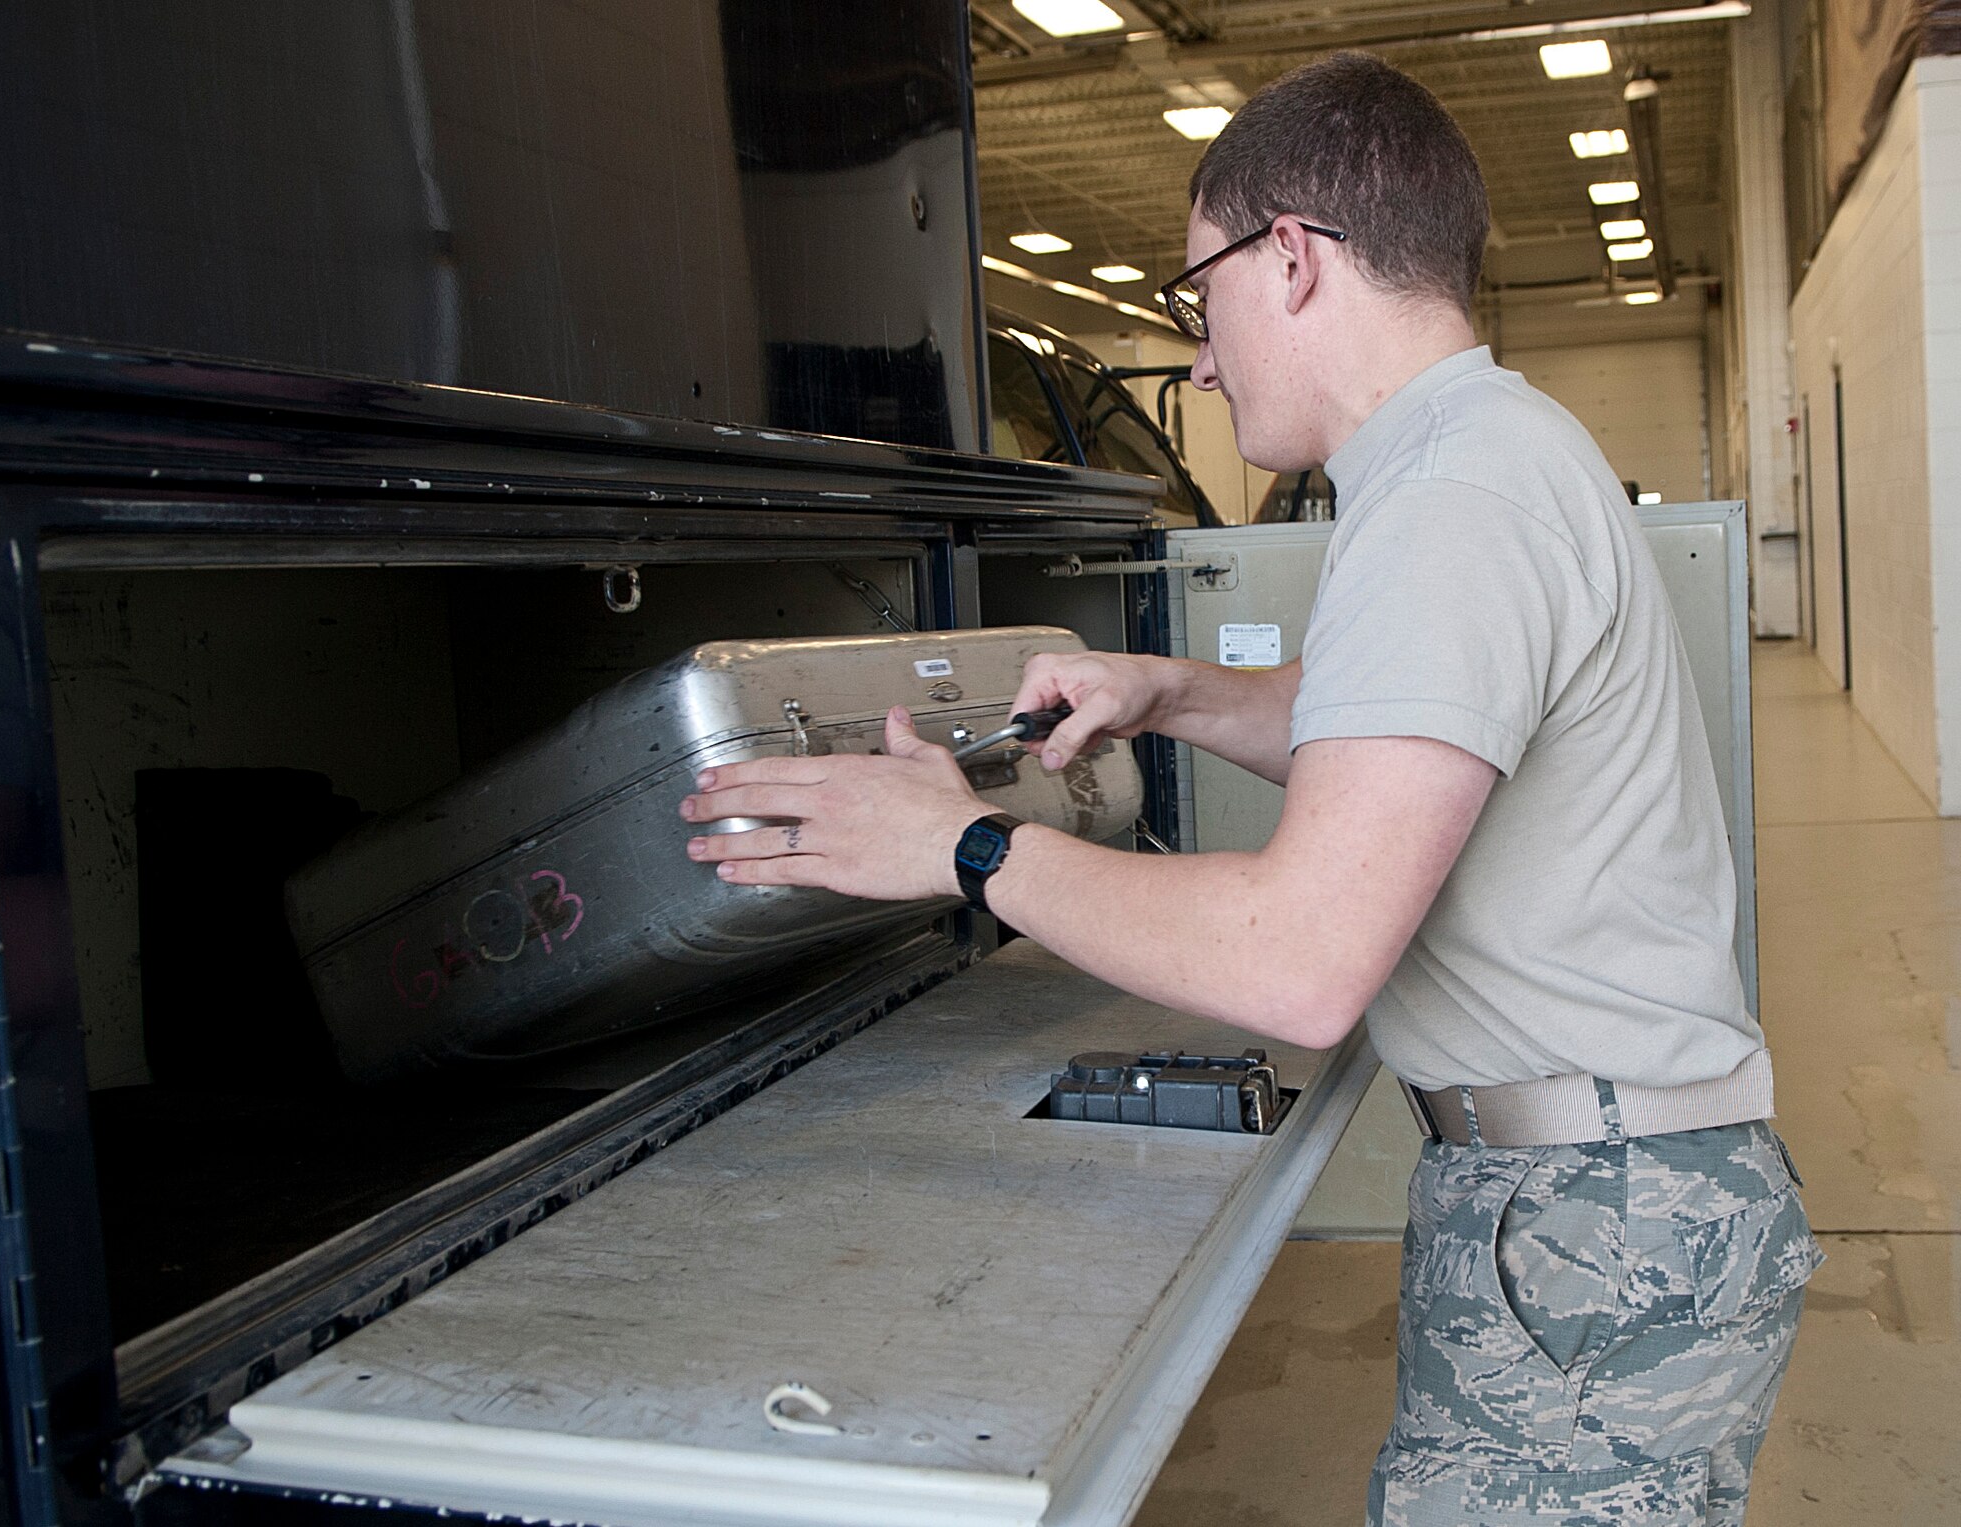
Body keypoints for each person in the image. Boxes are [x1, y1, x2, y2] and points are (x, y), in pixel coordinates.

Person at [679, 50, 1818, 1526]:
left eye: (1193, 296)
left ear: (1288, 259)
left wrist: (960, 846)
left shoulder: (1452, 504)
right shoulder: (1481, 456)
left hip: (1601, 1227)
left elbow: (1298, 962)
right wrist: (1173, 691)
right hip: (1617, 1200)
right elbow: (1409, 739)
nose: (1199, 359)